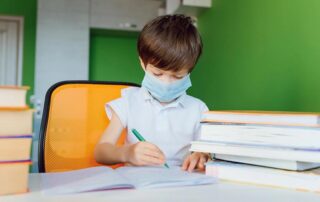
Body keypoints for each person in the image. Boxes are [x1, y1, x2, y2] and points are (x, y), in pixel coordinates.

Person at [94, 14, 210, 172]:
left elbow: (208, 151)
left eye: (177, 76)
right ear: (143, 63)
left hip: (182, 185)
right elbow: (101, 152)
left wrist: (202, 155)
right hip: (137, 187)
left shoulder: (199, 110)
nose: (166, 83)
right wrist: (127, 153)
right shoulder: (128, 102)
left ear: (189, 71)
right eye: (158, 74)